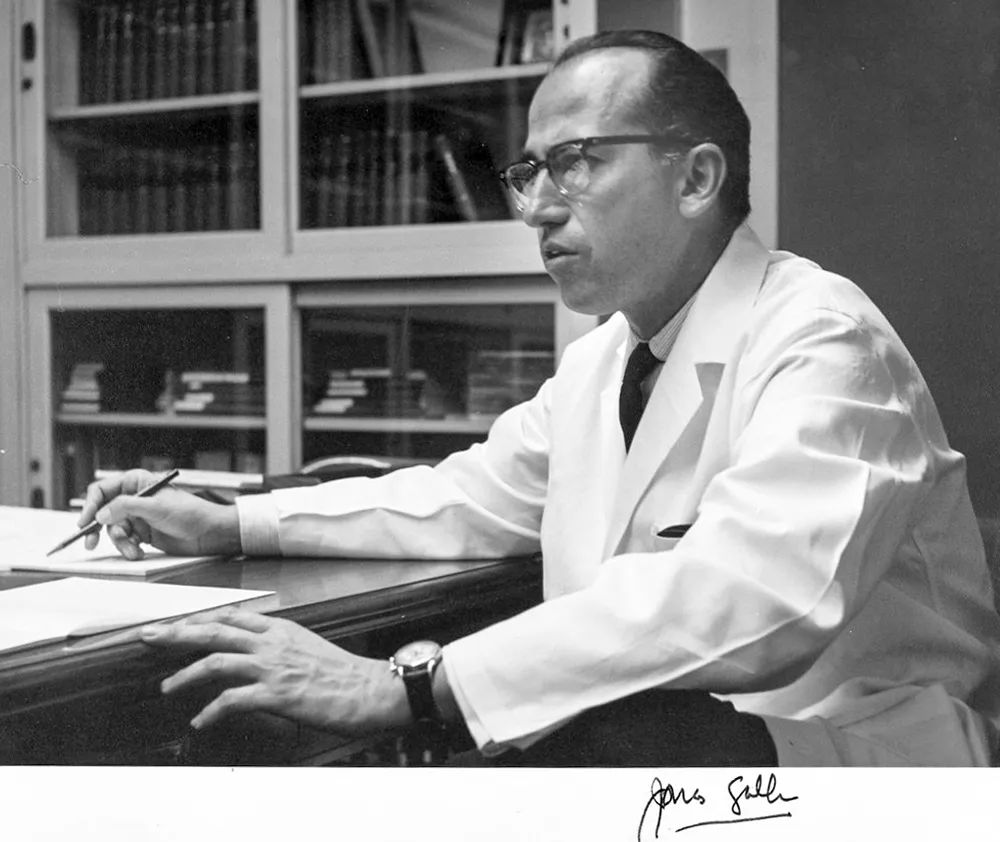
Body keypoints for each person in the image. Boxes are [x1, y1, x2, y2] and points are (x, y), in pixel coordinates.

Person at [81, 30, 1000, 766]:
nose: (538, 208)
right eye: (529, 172)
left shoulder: (824, 337)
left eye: (577, 161)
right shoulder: (606, 358)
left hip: (852, 762)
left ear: (697, 178)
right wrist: (234, 520)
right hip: (672, 746)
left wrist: (405, 687)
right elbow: (463, 497)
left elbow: (750, 597)